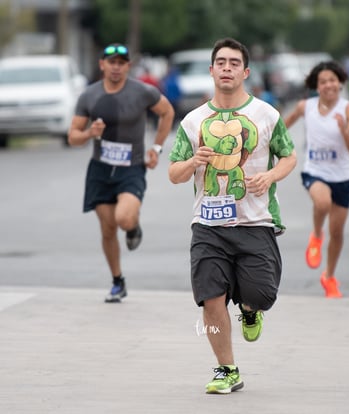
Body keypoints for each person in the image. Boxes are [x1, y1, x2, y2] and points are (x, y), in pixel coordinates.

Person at [168, 38, 296, 394]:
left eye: (233, 62)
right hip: (207, 225)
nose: (226, 67)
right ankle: (227, 369)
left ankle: (250, 308)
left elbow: (288, 156)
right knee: (210, 297)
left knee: (262, 293)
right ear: (211, 71)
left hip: (255, 222)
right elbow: (174, 173)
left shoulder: (267, 115)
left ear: (245, 72)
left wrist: (270, 176)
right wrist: (194, 161)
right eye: (220, 62)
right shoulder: (193, 121)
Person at [68, 43, 174, 303]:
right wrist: (90, 134)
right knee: (107, 229)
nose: (116, 67)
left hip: (132, 168)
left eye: (121, 62)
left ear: (128, 66)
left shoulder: (142, 92)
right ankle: (118, 281)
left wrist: (157, 148)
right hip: (100, 170)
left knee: (123, 219)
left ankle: (133, 226)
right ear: (102, 64)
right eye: (111, 62)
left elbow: (167, 112)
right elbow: (73, 136)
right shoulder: (89, 96)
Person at [284, 61, 349, 298]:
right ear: (317, 86)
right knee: (322, 203)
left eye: (332, 80)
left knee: (337, 233)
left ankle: (329, 276)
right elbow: (281, 126)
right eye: (323, 81)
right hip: (314, 170)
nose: (329, 85)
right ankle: (316, 234)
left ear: (340, 82)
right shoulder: (305, 106)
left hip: (342, 177)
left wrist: (343, 129)